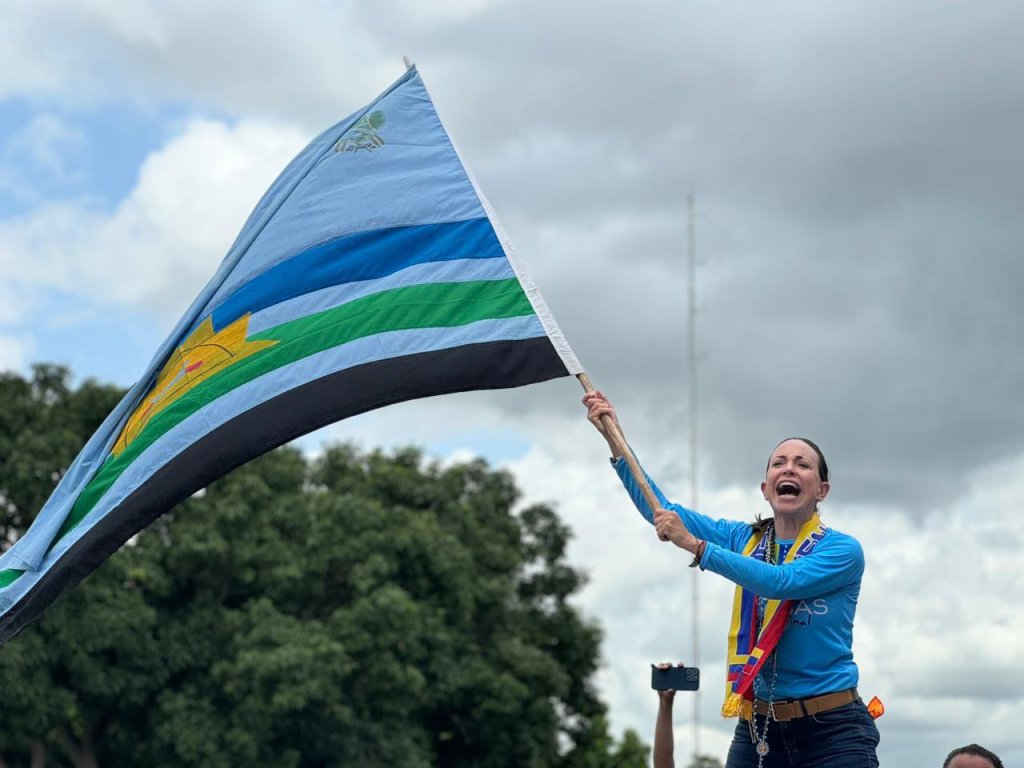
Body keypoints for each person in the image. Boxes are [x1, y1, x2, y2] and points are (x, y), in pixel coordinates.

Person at [583, 391, 879, 768]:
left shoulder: (842, 550)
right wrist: (616, 439)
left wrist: (698, 548)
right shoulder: (742, 538)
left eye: (802, 464)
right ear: (765, 489)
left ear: (822, 490)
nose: (788, 468)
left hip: (832, 729)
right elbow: (661, 510)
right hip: (758, 728)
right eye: (779, 463)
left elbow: (781, 582)